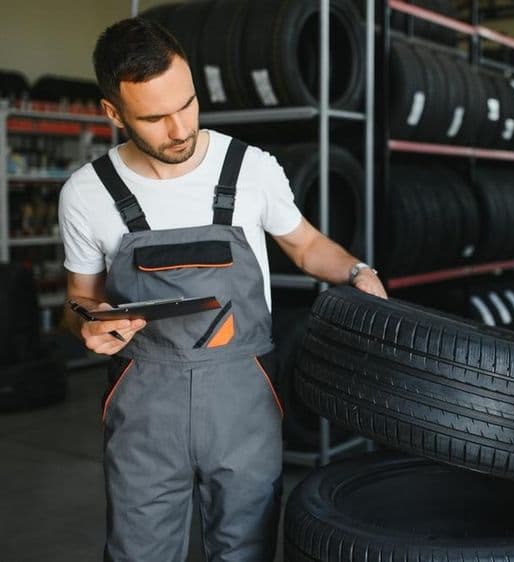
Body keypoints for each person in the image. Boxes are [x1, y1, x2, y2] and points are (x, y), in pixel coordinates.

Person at [58, 16, 386, 562]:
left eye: (187, 103)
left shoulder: (252, 169)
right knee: (138, 552)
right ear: (113, 113)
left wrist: (357, 271)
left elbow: (306, 246)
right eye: (156, 117)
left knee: (246, 549)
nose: (180, 128)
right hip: (143, 405)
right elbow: (79, 297)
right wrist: (88, 320)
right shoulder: (87, 193)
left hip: (244, 399)